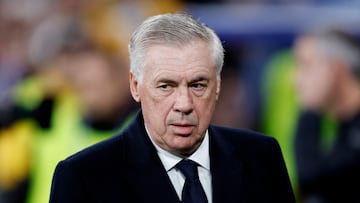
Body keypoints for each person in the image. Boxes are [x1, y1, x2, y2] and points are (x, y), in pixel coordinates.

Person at [49, 13, 295, 203]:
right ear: (136, 86)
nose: (184, 104)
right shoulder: (83, 176)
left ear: (217, 86)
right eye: (166, 86)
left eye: (198, 85)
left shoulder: (261, 157)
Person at [293, 28, 360, 202]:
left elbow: (312, 178)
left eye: (306, 65)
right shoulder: (342, 123)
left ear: (335, 69)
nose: (296, 79)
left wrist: (310, 110)